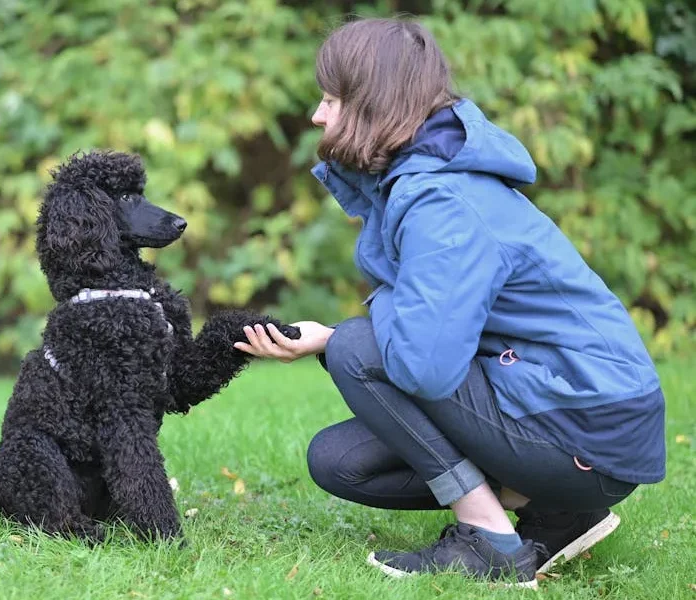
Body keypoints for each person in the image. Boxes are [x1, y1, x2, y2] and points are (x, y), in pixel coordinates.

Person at [235, 17, 666, 588]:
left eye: (331, 99)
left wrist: (344, 335)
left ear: (372, 104)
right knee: (340, 461)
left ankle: (489, 539)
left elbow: (423, 366)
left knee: (359, 348)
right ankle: (560, 513)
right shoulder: (421, 180)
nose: (317, 115)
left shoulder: (443, 201)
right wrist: (342, 333)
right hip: (571, 409)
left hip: (590, 426)